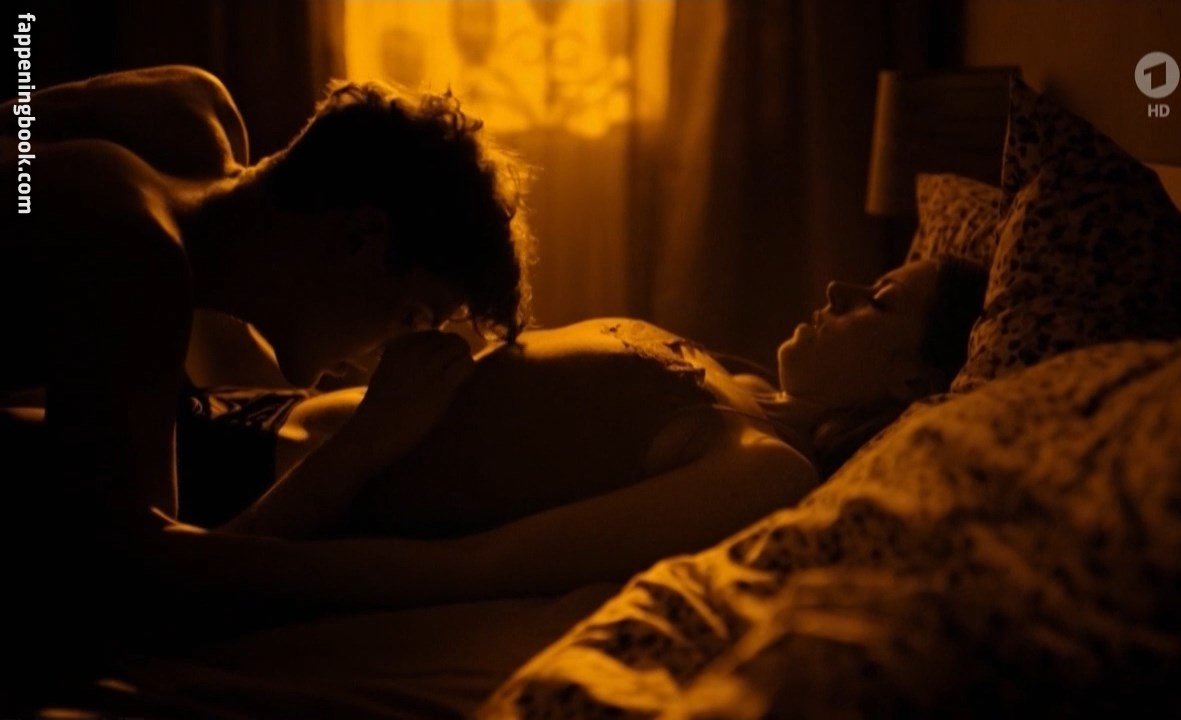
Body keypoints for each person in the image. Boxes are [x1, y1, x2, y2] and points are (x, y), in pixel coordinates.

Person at [0, 66, 532, 695]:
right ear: (363, 239)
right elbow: (136, 593)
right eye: (412, 318)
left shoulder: (193, 109)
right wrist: (362, 447)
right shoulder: (136, 257)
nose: (382, 357)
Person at [216, 255, 987, 599]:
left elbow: (477, 567)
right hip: (258, 407)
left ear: (913, 383)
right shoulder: (743, 385)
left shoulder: (764, 469)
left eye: (879, 301)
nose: (838, 287)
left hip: (254, 483)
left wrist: (222, 568)